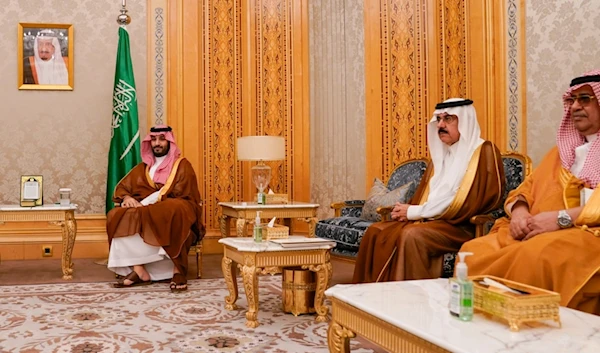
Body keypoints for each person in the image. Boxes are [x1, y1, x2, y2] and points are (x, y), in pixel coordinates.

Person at [459, 70, 600, 315]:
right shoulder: (562, 151)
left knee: (538, 256)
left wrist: (559, 219)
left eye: (585, 99)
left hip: (585, 231)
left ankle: (530, 336)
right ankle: (484, 333)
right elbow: (526, 188)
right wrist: (520, 213)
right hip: (533, 228)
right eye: (572, 100)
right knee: (473, 251)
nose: (576, 106)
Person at [353, 98, 505, 283]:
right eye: (439, 119)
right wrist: (411, 211)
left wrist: (415, 212)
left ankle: (412, 300)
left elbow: (466, 200)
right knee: (375, 231)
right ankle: (373, 298)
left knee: (411, 236)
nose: (441, 125)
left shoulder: (483, 152)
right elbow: (431, 197)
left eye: (448, 119)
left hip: (461, 225)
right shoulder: (442, 155)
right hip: (431, 220)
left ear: (465, 121)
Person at [106, 125, 205, 292]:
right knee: (117, 214)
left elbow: (185, 194)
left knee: (173, 207)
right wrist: (128, 198)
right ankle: (139, 270)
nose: (157, 143)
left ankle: (177, 270)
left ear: (169, 141)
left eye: (161, 139)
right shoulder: (144, 168)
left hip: (174, 211)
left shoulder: (182, 165)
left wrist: (156, 200)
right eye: (153, 139)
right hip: (147, 211)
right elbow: (123, 188)